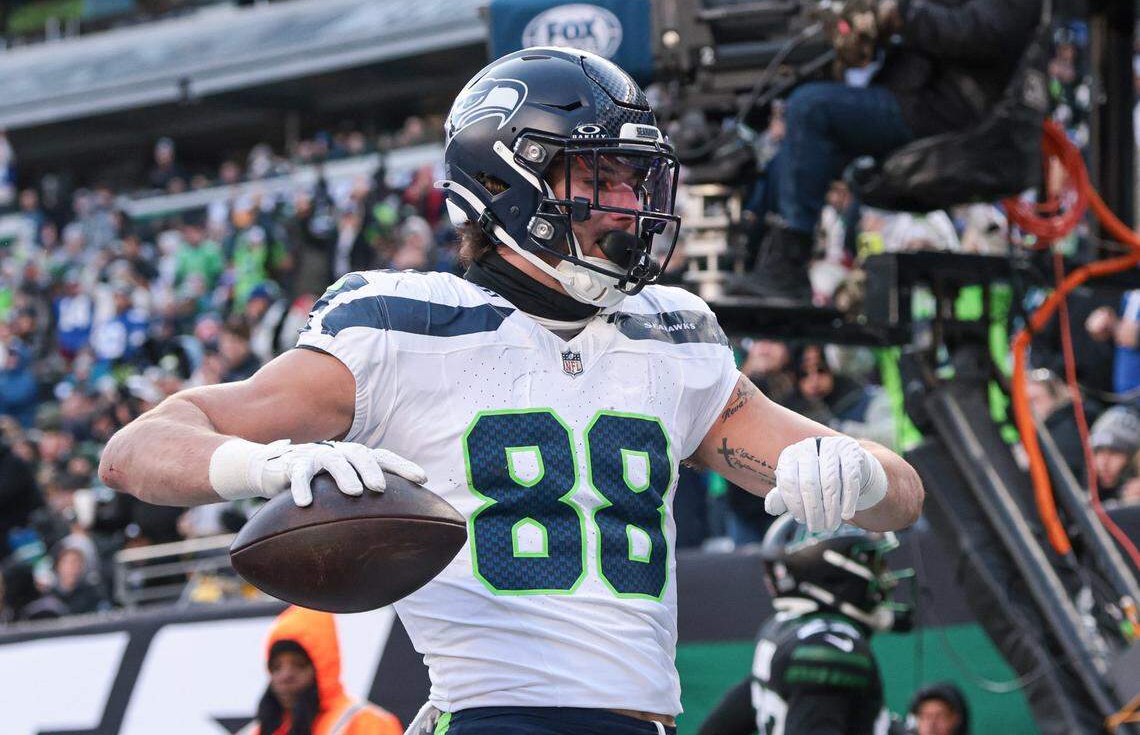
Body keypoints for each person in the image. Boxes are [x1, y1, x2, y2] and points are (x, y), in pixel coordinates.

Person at [100, 47, 923, 734]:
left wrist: (859, 475)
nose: (632, 206)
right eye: (603, 178)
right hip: (495, 716)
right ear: (507, 182)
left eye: (638, 181)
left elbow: (902, 498)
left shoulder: (671, 334)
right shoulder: (403, 326)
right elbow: (135, 451)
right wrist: (269, 467)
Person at [744, 0, 1045, 302]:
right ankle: (759, 259)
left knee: (811, 108)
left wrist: (901, 14)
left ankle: (789, 265)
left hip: (945, 114)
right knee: (790, 145)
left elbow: (987, 32)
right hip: (914, 101)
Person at [697, 514, 912, 734]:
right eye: (875, 564)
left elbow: (716, 729)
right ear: (834, 575)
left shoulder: (783, 627)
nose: (891, 579)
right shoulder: (830, 647)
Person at [239, 606, 402, 735]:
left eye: (299, 664)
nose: (285, 676)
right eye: (276, 667)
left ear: (324, 667)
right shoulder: (257, 730)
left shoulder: (367, 724)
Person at [1089, 406, 1140, 503]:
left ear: (1133, 458)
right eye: (1098, 452)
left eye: (1114, 452)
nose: (1103, 463)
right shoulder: (1085, 498)